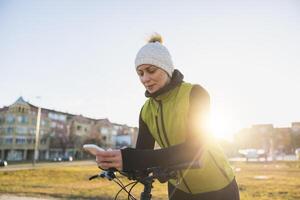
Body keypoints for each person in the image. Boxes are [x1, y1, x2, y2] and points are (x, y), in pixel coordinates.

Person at [95, 33, 240, 200]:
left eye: (151, 70)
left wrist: (130, 158)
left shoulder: (195, 93)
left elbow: (193, 150)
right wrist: (114, 161)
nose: (145, 79)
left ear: (166, 68)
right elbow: (143, 156)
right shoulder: (146, 111)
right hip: (179, 190)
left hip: (217, 187)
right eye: (140, 73)